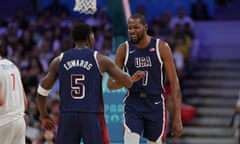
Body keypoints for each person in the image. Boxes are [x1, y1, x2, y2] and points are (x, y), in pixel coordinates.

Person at [36, 23, 145, 144]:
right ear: (90, 38)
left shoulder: (59, 60)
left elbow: (42, 90)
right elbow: (127, 82)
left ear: (74, 39)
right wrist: (131, 78)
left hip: (68, 116)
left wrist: (44, 115)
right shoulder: (100, 59)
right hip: (91, 116)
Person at [107, 13, 183, 144]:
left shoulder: (161, 47)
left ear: (145, 27)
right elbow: (110, 84)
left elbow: (174, 83)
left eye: (136, 27)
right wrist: (129, 80)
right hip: (133, 102)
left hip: (155, 103)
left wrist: (177, 116)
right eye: (130, 28)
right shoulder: (124, 49)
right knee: (130, 140)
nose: (132, 31)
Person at [0, 39, 28, 144]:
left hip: (3, 122)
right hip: (19, 122)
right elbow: (25, 102)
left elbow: (1, 100)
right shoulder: (12, 66)